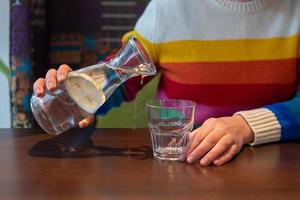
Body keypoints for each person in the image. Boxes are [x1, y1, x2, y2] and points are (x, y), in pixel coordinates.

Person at [33, 0, 300, 166]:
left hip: (276, 165)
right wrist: (62, 93)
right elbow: (117, 78)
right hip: (184, 162)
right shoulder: (168, 8)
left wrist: (245, 125)